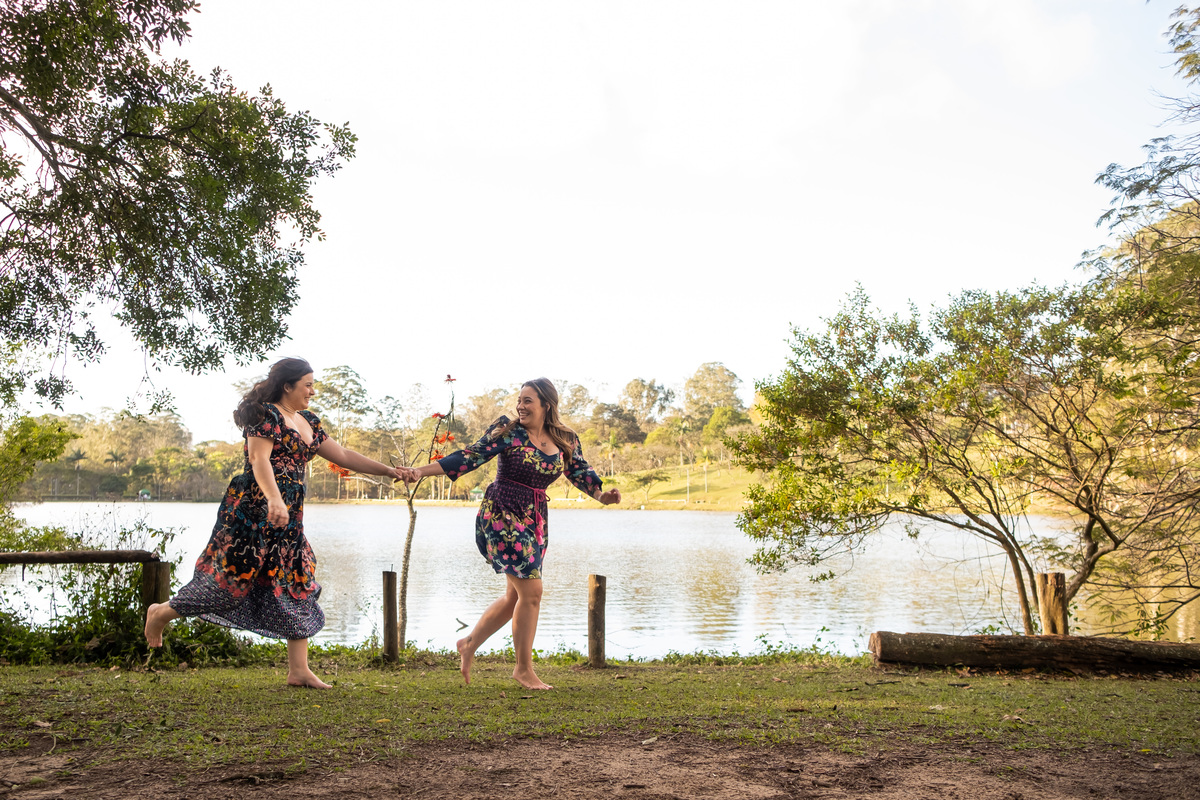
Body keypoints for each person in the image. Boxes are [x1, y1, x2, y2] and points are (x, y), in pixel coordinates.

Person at [143, 357, 402, 688]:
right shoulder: (266, 416)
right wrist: (274, 499)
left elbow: (345, 456)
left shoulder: (307, 421)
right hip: (253, 513)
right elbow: (257, 459)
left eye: (313, 384)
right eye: (307, 384)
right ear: (287, 386)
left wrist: (390, 471)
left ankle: (298, 670)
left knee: (297, 580)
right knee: (229, 584)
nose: (312, 390)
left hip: (290, 516)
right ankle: (161, 613)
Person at [400, 378, 621, 690]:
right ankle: (523, 670)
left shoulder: (566, 439)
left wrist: (603, 496)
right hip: (502, 512)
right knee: (532, 592)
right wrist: (421, 471)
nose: (521, 406)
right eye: (520, 400)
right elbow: (469, 456)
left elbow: (581, 474)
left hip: (535, 518)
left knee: (515, 595)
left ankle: (469, 643)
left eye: (528, 401)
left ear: (546, 404)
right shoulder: (508, 430)